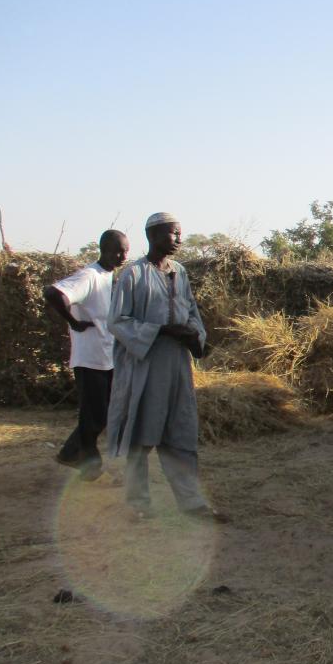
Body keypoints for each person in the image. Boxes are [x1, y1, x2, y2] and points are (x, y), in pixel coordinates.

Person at [105, 212, 227, 523]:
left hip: (177, 367)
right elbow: (118, 321)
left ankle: (191, 502)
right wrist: (160, 330)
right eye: (173, 234)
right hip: (145, 366)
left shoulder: (180, 272)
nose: (178, 239)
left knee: (181, 435)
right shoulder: (132, 275)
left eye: (179, 233)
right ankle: (138, 503)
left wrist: (195, 336)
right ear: (154, 235)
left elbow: (191, 312)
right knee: (139, 437)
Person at [43, 230, 130, 480]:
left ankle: (72, 454)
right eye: (117, 250)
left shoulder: (109, 277)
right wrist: (73, 322)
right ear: (103, 249)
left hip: (106, 358)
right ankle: (88, 465)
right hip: (89, 358)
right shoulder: (89, 276)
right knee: (95, 415)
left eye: (125, 250)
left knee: (102, 414)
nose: (122, 255)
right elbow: (53, 293)